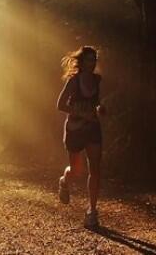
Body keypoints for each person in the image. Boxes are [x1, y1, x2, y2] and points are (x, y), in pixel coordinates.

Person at [56, 46, 106, 229]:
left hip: (92, 127)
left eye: (94, 60)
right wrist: (79, 112)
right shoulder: (73, 82)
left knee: (95, 168)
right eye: (88, 60)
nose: (92, 64)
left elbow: (98, 101)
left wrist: (100, 108)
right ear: (81, 62)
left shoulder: (97, 80)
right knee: (77, 171)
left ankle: (92, 212)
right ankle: (64, 181)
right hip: (75, 129)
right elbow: (60, 105)